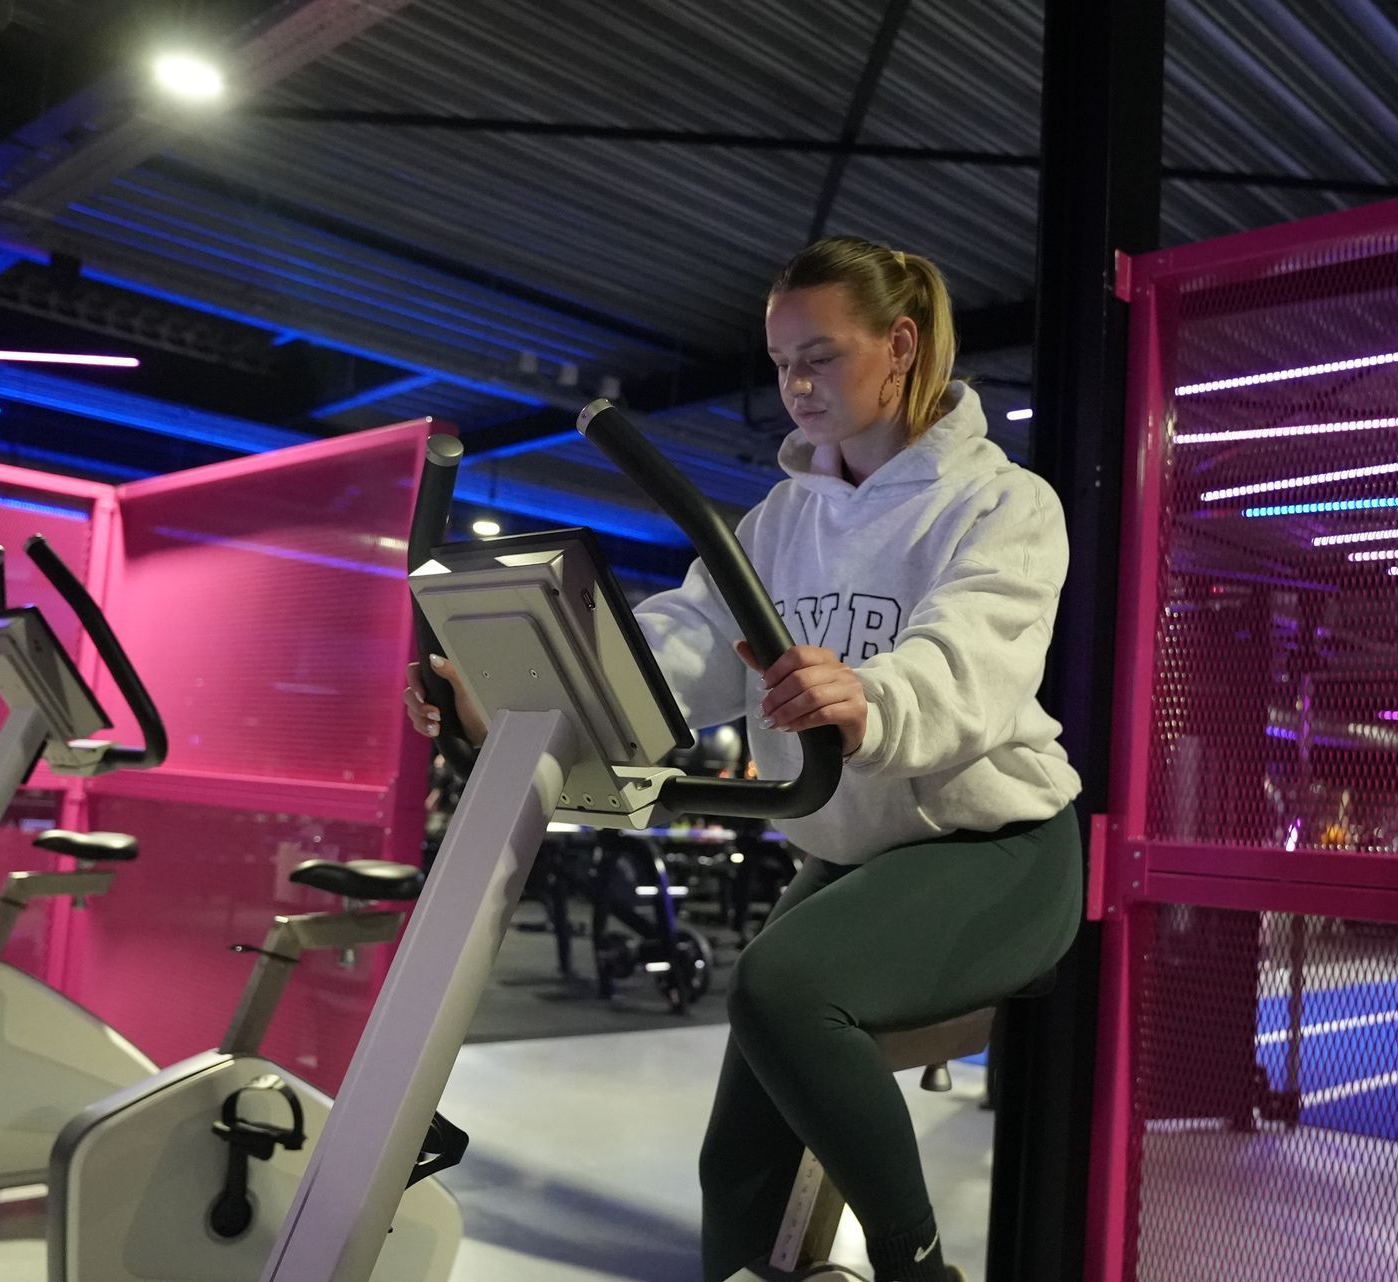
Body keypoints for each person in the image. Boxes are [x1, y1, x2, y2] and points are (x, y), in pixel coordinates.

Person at [405, 236, 1083, 1282]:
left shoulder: (1002, 504)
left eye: (821, 355)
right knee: (740, 1172)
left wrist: (875, 697)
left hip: (994, 847)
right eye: (780, 363)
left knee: (781, 987)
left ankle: (919, 1269)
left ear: (902, 345)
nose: (795, 385)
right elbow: (677, 648)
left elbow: (975, 658)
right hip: (848, 854)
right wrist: (515, 704)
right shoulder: (778, 521)